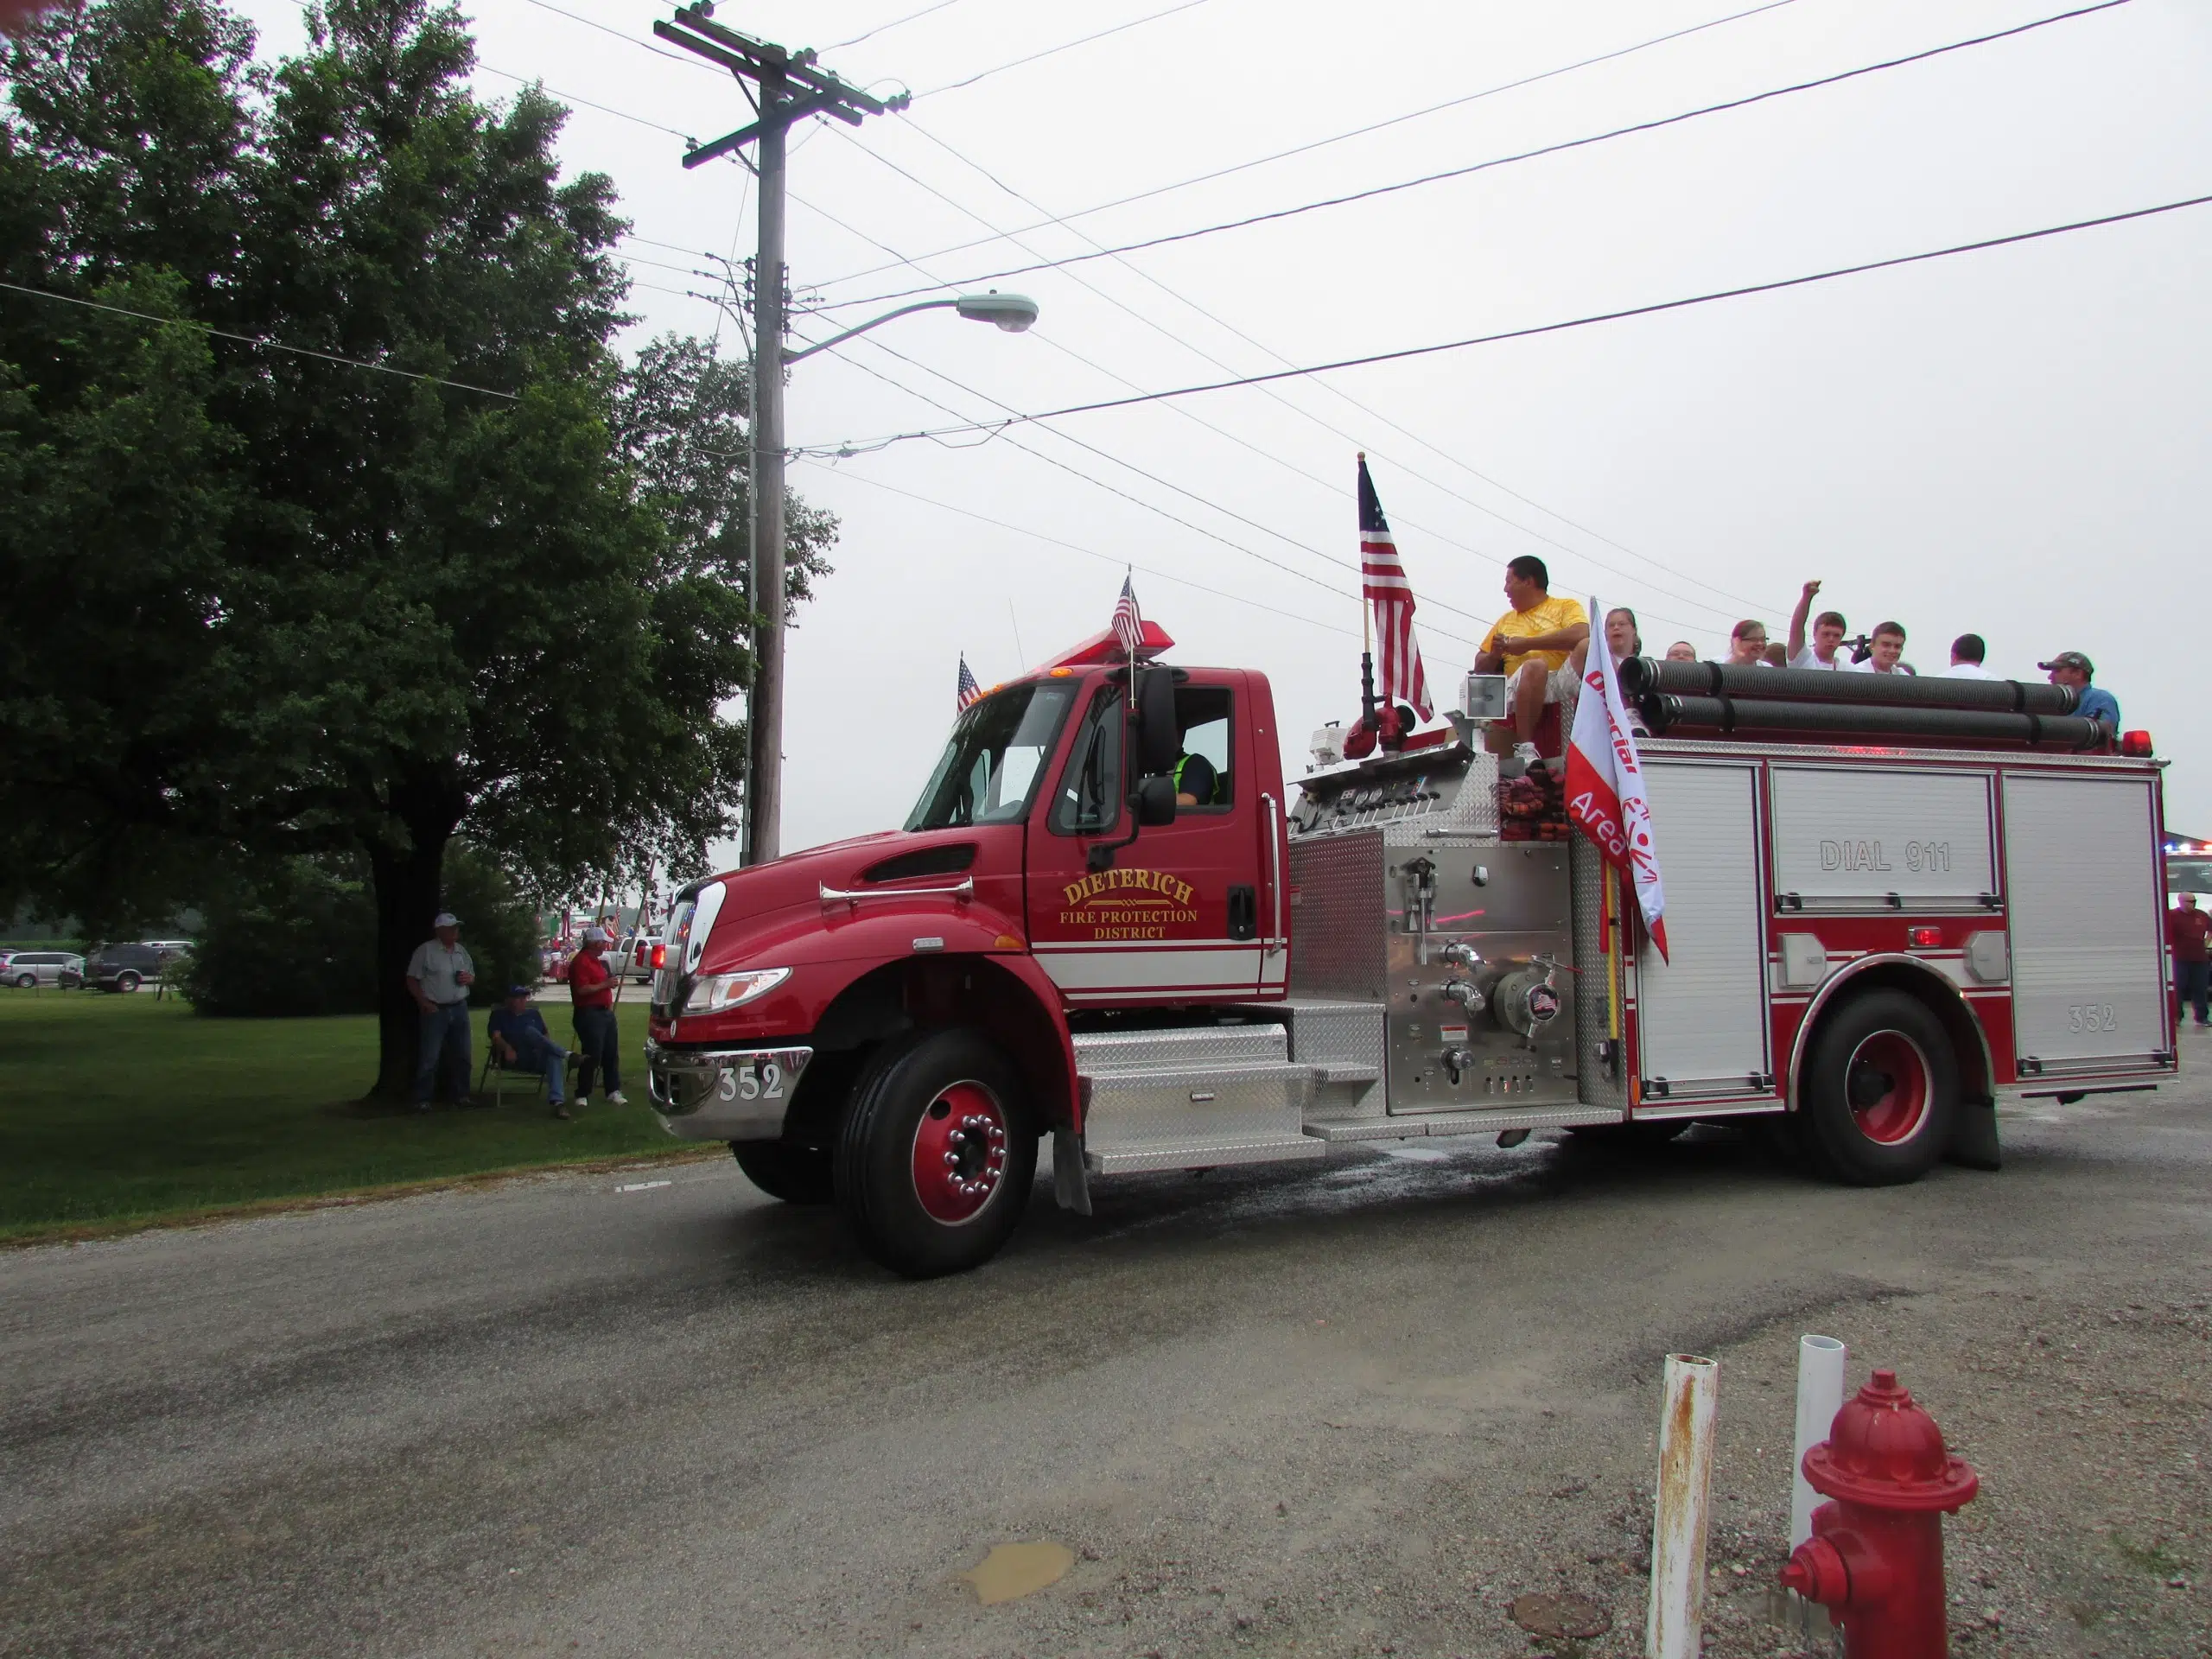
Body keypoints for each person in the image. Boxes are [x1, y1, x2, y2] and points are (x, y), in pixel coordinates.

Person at [1474, 556, 1588, 770]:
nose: (1505, 589)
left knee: (1587, 645)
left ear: (1528, 581)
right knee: (1536, 666)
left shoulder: (1565, 606)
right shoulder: (1506, 620)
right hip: (1517, 688)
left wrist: (1527, 644)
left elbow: (1581, 633)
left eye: (1509, 581)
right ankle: (1525, 746)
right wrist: (1495, 654)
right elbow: (1479, 664)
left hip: (1558, 682)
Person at [404, 912, 475, 1111]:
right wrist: (423, 1002)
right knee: (430, 1056)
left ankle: (461, 1095)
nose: (455, 931)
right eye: (451, 928)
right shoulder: (425, 951)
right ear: (440, 931)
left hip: (459, 1006)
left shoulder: (461, 951)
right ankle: (423, 1099)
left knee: (463, 1055)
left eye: (456, 928)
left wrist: (469, 980)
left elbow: (472, 976)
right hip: (436, 1009)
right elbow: (411, 979)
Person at [488, 984, 579, 1117]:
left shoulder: (533, 1014)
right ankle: (568, 1055)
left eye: (524, 998)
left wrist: (542, 1048)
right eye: (518, 998)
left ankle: (559, 1103)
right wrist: (507, 1048)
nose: (522, 1001)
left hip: (536, 1056)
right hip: (515, 1056)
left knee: (553, 1056)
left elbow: (545, 1036)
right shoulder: (499, 1015)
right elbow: (496, 1037)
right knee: (529, 1031)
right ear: (509, 1000)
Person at [568, 926, 626, 1106]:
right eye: (602, 942)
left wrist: (607, 986)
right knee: (593, 1053)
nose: (605, 946)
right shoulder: (581, 962)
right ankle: (583, 1093)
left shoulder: (597, 961)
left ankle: (613, 1090)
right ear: (593, 943)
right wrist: (605, 984)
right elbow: (582, 989)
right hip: (589, 1012)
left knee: (610, 1053)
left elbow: (601, 984)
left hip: (604, 1012)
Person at [2041, 651, 2120, 727]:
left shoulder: (2100, 698)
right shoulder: (2051, 703)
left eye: (2057, 671)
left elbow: (2103, 732)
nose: (2050, 677)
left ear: (2077, 674)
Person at [1786, 582, 1851, 671]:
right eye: (1826, 634)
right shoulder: (1803, 659)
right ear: (1814, 634)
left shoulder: (1847, 668)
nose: (1831, 639)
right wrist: (1806, 597)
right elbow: (1796, 628)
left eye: (1836, 635)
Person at [2170, 893, 2211, 1028]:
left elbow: (2211, 930)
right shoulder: (2172, 916)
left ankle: (2202, 1017)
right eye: (2190, 901)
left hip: (2200, 958)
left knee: (2200, 988)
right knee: (2178, 988)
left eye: (2194, 901)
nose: (2193, 903)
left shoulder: (2202, 915)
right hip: (2179, 958)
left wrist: (2206, 943)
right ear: (2181, 902)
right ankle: (2176, 1017)